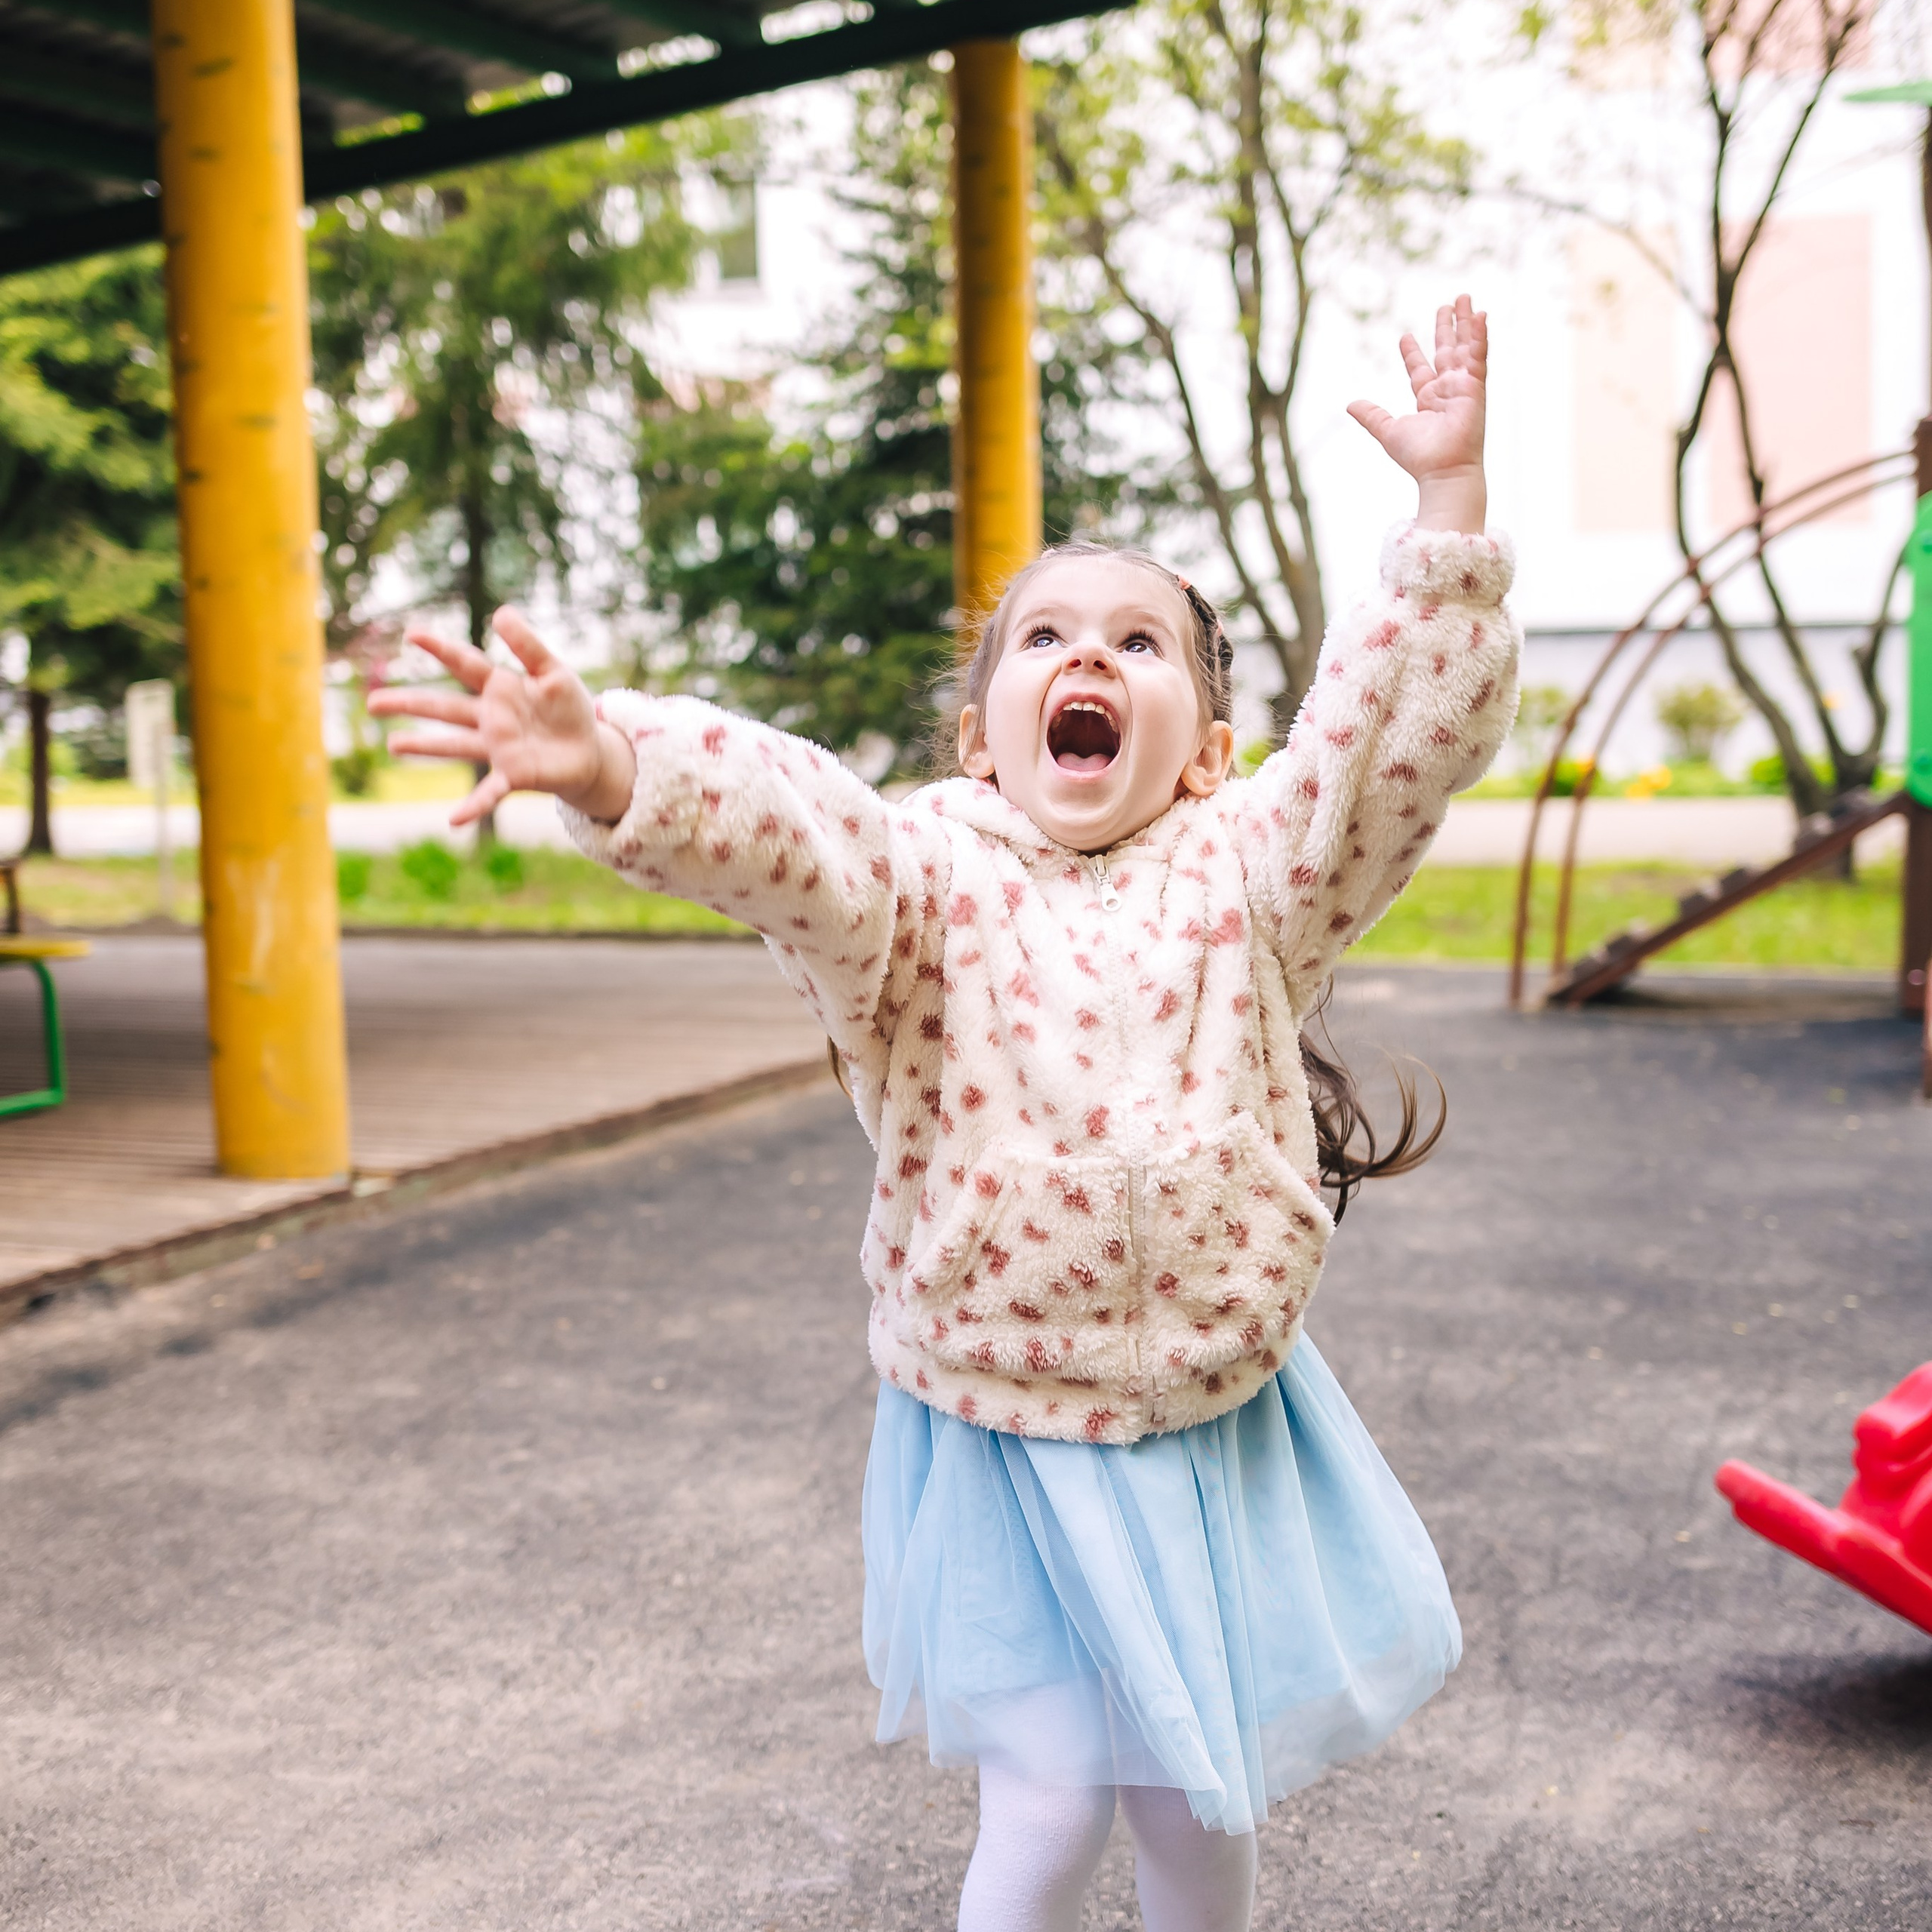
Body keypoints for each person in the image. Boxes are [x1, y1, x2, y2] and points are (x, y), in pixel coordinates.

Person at [371, 295, 1518, 1931]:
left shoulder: (1250, 871)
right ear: (978, 736)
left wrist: (1443, 515)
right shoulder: (922, 879)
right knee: (1049, 1802)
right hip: (1004, 1425)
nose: (1088, 661)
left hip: (1208, 1406)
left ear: (1201, 750)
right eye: (1043, 639)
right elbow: (791, 826)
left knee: (1199, 1803)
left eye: (1139, 644)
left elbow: (1381, 749)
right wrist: (613, 759)